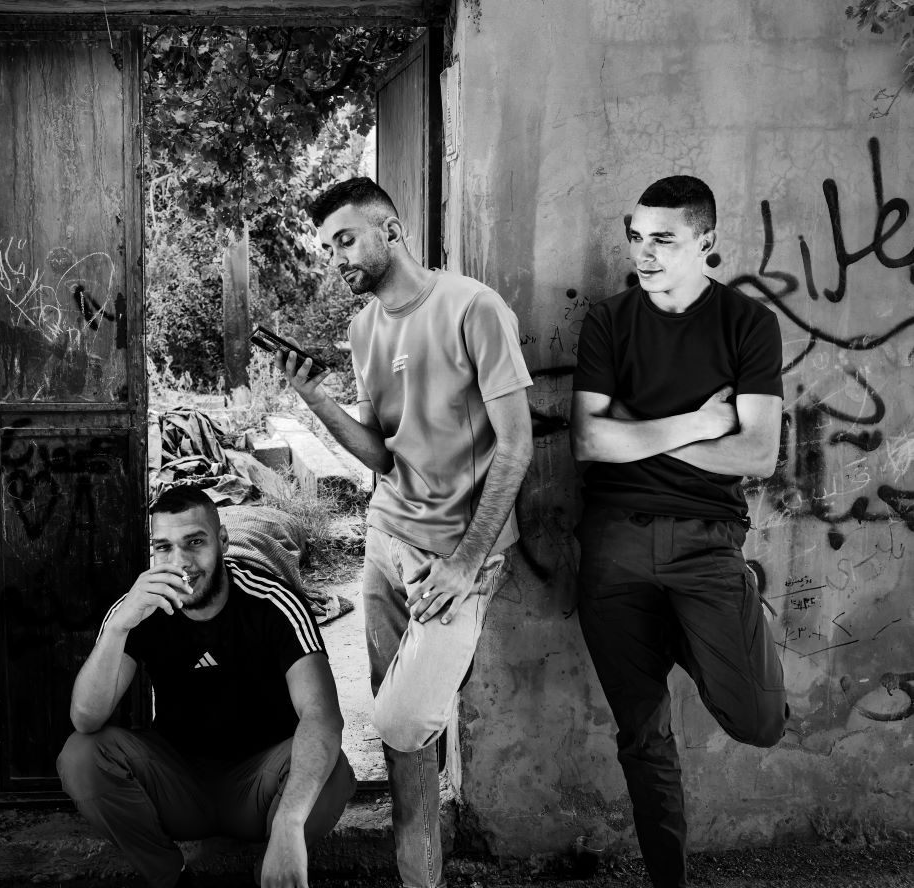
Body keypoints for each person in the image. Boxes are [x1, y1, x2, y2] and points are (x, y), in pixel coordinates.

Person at [275, 177, 534, 888]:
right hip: (385, 542)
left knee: (397, 721)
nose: (336, 257)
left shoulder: (472, 308)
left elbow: (515, 445)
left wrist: (466, 562)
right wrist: (312, 396)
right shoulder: (364, 329)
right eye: (327, 247)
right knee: (406, 755)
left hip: (456, 554)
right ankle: (419, 879)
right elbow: (378, 454)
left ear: (391, 230)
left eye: (346, 239)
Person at [569, 175, 787, 888]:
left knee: (759, 719)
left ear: (706, 242)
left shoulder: (746, 323)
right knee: (643, 734)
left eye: (663, 238)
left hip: (706, 544)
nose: (645, 252)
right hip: (613, 546)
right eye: (635, 237)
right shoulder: (607, 320)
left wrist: (637, 433)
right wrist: (697, 423)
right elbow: (587, 444)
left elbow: (756, 453)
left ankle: (696, 632)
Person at [57, 485, 355, 888]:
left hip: (261, 787)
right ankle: (171, 879)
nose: (180, 562)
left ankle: (272, 872)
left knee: (331, 768)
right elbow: (86, 718)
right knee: (82, 755)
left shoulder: (272, 603)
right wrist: (118, 628)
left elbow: (322, 715)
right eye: (163, 547)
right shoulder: (140, 608)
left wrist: (288, 821)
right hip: (178, 784)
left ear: (223, 542)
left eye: (194, 542)